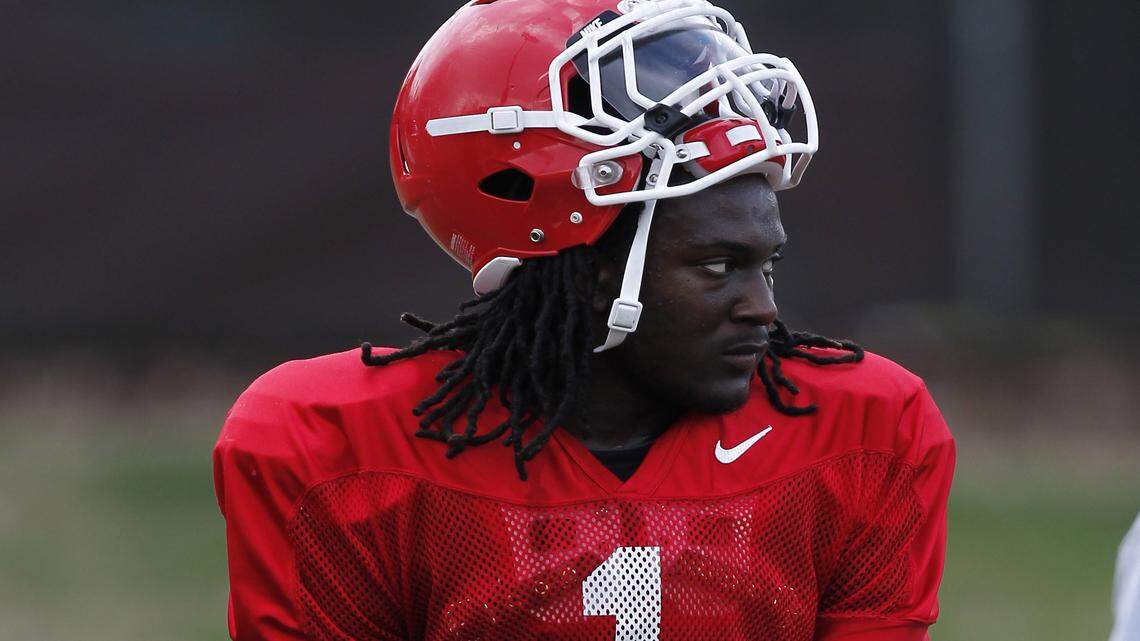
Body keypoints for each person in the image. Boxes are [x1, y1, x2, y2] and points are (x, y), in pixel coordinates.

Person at [213, 0, 956, 639]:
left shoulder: (864, 436)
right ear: (588, 272)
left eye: (766, 265)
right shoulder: (336, 453)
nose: (763, 308)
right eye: (715, 266)